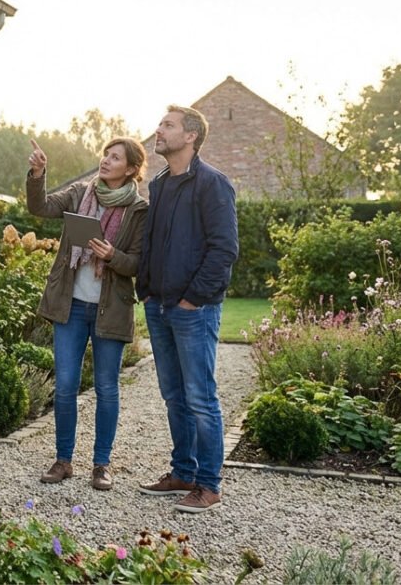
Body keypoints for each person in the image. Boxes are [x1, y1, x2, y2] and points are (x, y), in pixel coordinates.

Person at [26, 136, 149, 490]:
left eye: (115, 157)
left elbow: (139, 263)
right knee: (65, 387)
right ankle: (63, 461)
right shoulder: (81, 193)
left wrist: (113, 256)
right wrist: (38, 173)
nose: (106, 160)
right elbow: (41, 207)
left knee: (107, 388)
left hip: (111, 309)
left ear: (130, 169)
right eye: (105, 154)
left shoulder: (139, 211)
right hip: (71, 305)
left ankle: (101, 465)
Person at [135, 105, 239, 513]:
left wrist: (192, 299)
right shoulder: (159, 184)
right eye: (161, 124)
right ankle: (182, 472)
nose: (158, 131)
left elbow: (224, 249)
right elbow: (151, 242)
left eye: (168, 125)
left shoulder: (213, 184)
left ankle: (209, 485)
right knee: (173, 396)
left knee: (200, 397)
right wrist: (146, 289)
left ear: (191, 136)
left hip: (193, 310)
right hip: (158, 306)